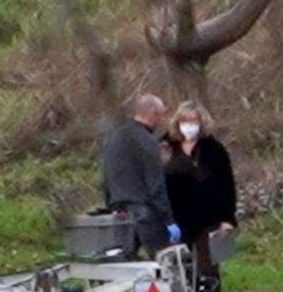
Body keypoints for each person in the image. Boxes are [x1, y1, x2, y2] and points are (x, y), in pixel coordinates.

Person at [162, 100, 237, 280]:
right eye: (184, 120)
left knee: (208, 271)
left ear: (201, 123)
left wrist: (227, 219)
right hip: (174, 221)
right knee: (175, 272)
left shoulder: (213, 149)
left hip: (208, 221)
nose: (189, 126)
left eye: (194, 121)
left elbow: (227, 185)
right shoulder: (165, 147)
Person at [101, 94, 180, 258]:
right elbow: (156, 186)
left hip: (121, 212)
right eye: (161, 114)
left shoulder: (115, 138)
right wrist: (169, 220)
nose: (161, 120)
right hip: (145, 212)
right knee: (165, 264)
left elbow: (106, 176)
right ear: (153, 113)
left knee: (125, 265)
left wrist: (111, 204)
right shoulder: (147, 141)